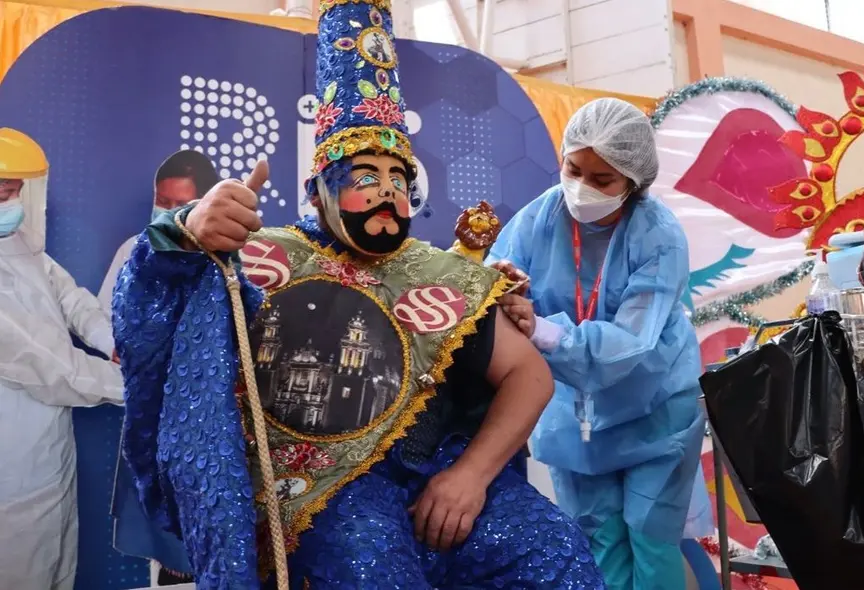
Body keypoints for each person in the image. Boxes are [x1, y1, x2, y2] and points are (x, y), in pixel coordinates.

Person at [111, 1, 604, 588]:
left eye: (399, 179)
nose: (388, 194)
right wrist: (186, 232)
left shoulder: (439, 272)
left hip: (438, 474)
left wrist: (471, 475)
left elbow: (531, 375)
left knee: (556, 553)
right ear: (316, 189)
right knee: (371, 568)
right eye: (365, 177)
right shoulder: (258, 255)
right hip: (321, 495)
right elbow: (143, 316)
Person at [486, 97, 707, 590]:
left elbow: (632, 341)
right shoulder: (539, 218)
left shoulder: (659, 236)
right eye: (573, 168)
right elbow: (490, 276)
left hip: (655, 414)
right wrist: (502, 285)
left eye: (602, 180)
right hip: (573, 418)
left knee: (652, 541)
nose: (582, 188)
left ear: (634, 182)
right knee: (597, 542)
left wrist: (541, 328)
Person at [0, 127, 124, 590]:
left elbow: (71, 298)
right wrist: (142, 386)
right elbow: (52, 367)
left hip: (49, 453)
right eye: (1, 190)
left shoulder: (21, 243)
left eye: (15, 191)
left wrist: (113, 340)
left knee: (57, 567)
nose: (10, 202)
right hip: (9, 473)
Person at [97, 149, 217, 310]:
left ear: (204, 205)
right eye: (163, 201)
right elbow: (104, 316)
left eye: (181, 204)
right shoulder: (133, 249)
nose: (169, 212)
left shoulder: (222, 259)